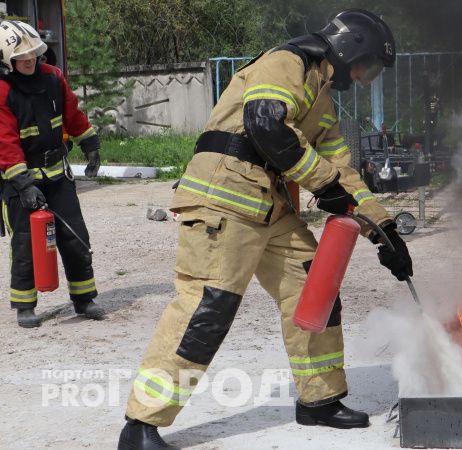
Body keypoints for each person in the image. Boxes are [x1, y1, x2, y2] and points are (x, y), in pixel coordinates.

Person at [118, 9, 412, 449]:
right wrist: (324, 183)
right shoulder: (287, 62)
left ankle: (320, 399)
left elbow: (342, 173)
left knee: (316, 289)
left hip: (269, 206)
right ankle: (141, 424)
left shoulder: (323, 97)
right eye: (368, 66)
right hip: (224, 198)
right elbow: (265, 124)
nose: (367, 77)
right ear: (352, 47)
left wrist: (384, 231)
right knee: (206, 308)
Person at [0, 20, 103, 328]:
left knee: (75, 238)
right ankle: (24, 305)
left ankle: (84, 299)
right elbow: (5, 143)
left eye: (33, 52)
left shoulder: (54, 78)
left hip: (59, 177)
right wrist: (24, 184)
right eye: (22, 55)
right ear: (7, 59)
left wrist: (90, 144)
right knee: (26, 245)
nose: (29, 59)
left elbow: (72, 113)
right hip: (21, 184)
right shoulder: (3, 92)